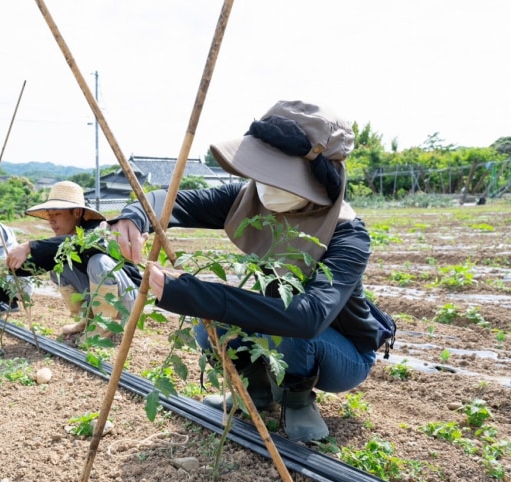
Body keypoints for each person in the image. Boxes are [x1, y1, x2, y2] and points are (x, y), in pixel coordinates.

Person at [108, 100, 395, 443]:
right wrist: (135, 215)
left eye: (281, 177)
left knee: (289, 329)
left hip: (343, 353)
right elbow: (173, 202)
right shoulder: (251, 199)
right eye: (261, 172)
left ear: (321, 179)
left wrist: (196, 295)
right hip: (287, 331)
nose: (265, 185)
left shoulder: (348, 235)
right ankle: (254, 392)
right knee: (210, 327)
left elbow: (309, 316)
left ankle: (298, 402)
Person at [5, 181, 141, 342]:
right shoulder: (63, 244)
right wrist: (11, 266)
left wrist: (29, 246)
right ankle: (89, 320)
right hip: (105, 301)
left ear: (76, 212)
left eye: (56, 214)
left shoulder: (98, 230)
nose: (51, 220)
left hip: (128, 301)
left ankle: (103, 327)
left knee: (99, 262)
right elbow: (39, 264)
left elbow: (76, 241)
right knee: (58, 266)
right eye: (49, 215)